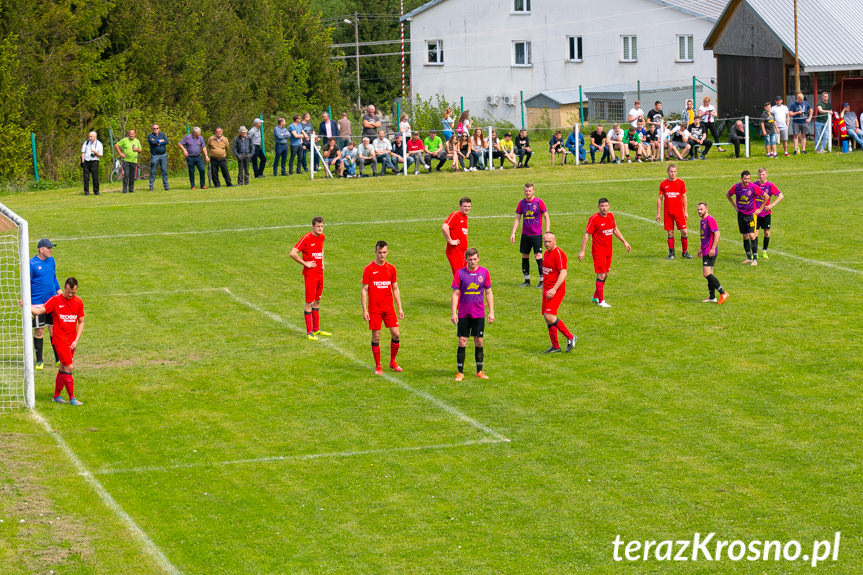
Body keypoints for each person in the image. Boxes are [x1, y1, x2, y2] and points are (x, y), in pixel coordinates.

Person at [30, 277, 85, 405]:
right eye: (68, 292)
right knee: (69, 367)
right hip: (59, 340)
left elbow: (81, 321)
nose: (70, 295)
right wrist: (26, 306)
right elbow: (39, 311)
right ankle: (72, 398)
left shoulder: (78, 302)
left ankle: (56, 396)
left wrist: (76, 340)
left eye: (73, 292)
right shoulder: (55, 300)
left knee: (63, 367)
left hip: (72, 341)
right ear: (64, 288)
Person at [578, 197, 631, 308]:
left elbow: (615, 229)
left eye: (606, 206)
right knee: (601, 274)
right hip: (598, 252)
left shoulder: (611, 216)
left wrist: (624, 242)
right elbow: (587, 234)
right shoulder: (594, 219)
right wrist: (582, 251)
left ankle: (596, 296)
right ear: (598, 207)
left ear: (609, 206)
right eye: (602, 206)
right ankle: (601, 301)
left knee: (606, 274)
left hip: (608, 251)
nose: (604, 208)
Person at [362, 241, 405, 375]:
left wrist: (400, 308)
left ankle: (392, 361)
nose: (382, 255)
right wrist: (364, 309)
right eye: (379, 252)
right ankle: (378, 365)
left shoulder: (391, 269)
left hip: (388, 308)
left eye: (384, 252)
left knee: (396, 334)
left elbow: (395, 288)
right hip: (374, 309)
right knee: (376, 336)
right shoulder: (369, 269)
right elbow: (364, 290)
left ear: (388, 252)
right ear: (375, 252)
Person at [451, 247, 494, 381]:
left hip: (479, 313)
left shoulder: (485, 273)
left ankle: (479, 371)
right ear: (466, 260)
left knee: (479, 341)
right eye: (470, 259)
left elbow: (488, 292)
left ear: (478, 258)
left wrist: (491, 311)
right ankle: (460, 372)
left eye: (475, 259)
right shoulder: (460, 273)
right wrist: (453, 312)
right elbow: (455, 293)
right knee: (462, 341)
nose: (472, 262)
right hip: (464, 314)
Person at [290, 217, 329, 341]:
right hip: (310, 275)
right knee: (309, 303)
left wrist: (322, 262)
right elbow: (293, 253)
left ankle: (316, 329)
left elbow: (321, 249)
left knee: (317, 301)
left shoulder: (322, 237)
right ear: (312, 226)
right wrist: (305, 263)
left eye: (322, 226)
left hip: (320, 274)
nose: (320, 229)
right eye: (318, 226)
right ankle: (309, 332)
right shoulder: (306, 238)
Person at [540, 232, 577, 354]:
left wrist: (554, 289)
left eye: (549, 241)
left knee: (550, 316)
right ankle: (555, 346)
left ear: (555, 241)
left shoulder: (559, 254)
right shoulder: (546, 253)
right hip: (547, 290)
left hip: (556, 290)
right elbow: (546, 272)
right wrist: (544, 289)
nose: (547, 244)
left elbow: (563, 272)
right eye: (545, 241)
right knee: (547, 318)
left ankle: (571, 337)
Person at [510, 183, 549, 287]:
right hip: (525, 234)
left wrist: (547, 232)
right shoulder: (521, 203)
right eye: (526, 191)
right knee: (525, 255)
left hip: (536, 234)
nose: (528, 193)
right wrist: (513, 232)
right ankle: (527, 281)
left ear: (533, 191)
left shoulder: (539, 202)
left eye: (529, 191)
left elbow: (546, 216)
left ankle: (542, 281)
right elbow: (517, 218)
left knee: (538, 256)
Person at [29, 238, 61, 370]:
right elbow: (27, 282)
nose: (51, 250)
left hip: (52, 301)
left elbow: (54, 277)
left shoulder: (51, 261)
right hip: (37, 303)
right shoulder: (31, 263)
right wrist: (25, 299)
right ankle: (39, 360)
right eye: (49, 248)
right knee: (39, 330)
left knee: (53, 330)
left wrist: (59, 291)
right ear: (41, 249)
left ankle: (58, 358)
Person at [726, 169, 767, 265]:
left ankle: (755, 259)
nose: (747, 181)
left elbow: (766, 197)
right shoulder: (736, 187)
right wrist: (735, 206)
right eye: (745, 179)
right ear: (741, 179)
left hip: (751, 215)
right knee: (744, 236)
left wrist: (760, 209)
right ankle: (749, 257)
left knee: (752, 235)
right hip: (741, 215)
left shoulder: (753, 187)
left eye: (748, 179)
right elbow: (728, 195)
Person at [696, 202, 729, 304]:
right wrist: (701, 248)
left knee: (706, 274)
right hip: (705, 250)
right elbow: (704, 237)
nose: (699, 211)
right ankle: (712, 297)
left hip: (710, 251)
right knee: (709, 274)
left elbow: (717, 234)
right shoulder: (702, 221)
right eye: (698, 210)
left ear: (706, 209)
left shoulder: (710, 219)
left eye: (701, 209)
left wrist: (713, 248)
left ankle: (723, 293)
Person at [656, 164, 691, 259]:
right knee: (670, 233)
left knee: (684, 231)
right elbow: (660, 198)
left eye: (674, 171)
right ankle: (671, 253)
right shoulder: (663, 184)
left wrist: (686, 211)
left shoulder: (681, 183)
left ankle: (685, 252)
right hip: (668, 212)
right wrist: (658, 213)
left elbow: (684, 197)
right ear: (667, 172)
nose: (672, 173)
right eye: (671, 171)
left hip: (679, 212)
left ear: (676, 172)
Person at [753, 167, 785, 259]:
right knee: (755, 233)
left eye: (763, 174)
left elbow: (781, 196)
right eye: (760, 174)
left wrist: (771, 205)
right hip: (756, 213)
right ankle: (754, 253)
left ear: (766, 175)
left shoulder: (770, 185)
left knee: (767, 233)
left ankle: (764, 251)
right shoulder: (754, 185)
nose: (761, 176)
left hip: (766, 213)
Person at [442, 197, 471, 275]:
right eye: (465, 206)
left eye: (469, 206)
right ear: (460, 206)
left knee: (465, 277)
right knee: (460, 278)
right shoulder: (456, 215)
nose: (467, 208)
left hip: (463, 253)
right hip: (455, 253)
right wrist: (450, 241)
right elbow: (444, 227)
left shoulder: (465, 217)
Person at [114, 128, 142, 193]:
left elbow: (140, 150)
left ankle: (131, 189)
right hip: (126, 160)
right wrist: (120, 153)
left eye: (132, 133)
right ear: (128, 134)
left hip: (134, 160)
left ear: (135, 134)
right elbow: (116, 145)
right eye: (130, 133)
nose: (131, 135)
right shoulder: (125, 140)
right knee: (126, 174)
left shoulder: (137, 141)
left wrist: (136, 149)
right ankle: (124, 189)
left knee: (132, 175)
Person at [147, 123, 170, 191]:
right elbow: (152, 142)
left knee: (164, 171)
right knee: (153, 171)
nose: (155, 129)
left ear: (159, 129)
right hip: (155, 156)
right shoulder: (150, 135)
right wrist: (159, 141)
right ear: (152, 129)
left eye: (157, 128)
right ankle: (151, 186)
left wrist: (159, 142)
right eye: (154, 128)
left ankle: (166, 186)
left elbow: (166, 141)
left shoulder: (162, 134)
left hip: (163, 155)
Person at [80, 131, 103, 196]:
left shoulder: (99, 144)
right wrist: (83, 161)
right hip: (86, 161)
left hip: (94, 162)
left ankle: (96, 191)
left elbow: (101, 155)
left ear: (95, 137)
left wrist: (95, 152)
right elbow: (83, 152)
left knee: (95, 177)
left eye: (91, 136)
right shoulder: (86, 143)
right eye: (89, 136)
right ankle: (86, 191)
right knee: (86, 177)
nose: (90, 138)